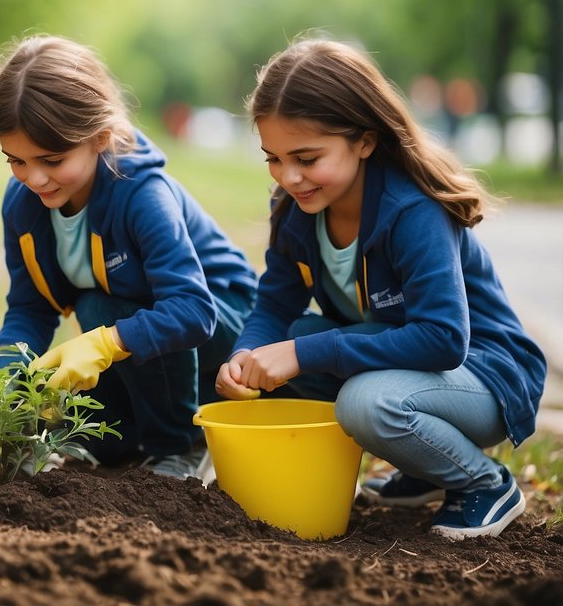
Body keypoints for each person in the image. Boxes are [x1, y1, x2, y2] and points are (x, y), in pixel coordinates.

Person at [216, 37, 546, 539]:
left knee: (364, 401)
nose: (289, 176)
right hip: (410, 368)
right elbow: (276, 302)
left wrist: (304, 353)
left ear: (364, 141)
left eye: (306, 157)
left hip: (483, 374)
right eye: (274, 158)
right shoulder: (294, 209)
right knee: (296, 334)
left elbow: (442, 339)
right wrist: (245, 355)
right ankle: (421, 469)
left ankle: (485, 483)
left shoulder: (412, 211)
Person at [0, 35, 258, 479]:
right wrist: (4, 378)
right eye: (15, 159)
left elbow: (192, 310)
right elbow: (30, 309)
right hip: (130, 320)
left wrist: (106, 342)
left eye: (52, 160)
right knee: (100, 320)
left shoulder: (142, 195)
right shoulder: (23, 205)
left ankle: (183, 444)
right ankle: (121, 438)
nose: (33, 178)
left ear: (100, 138)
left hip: (225, 327)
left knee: (109, 307)